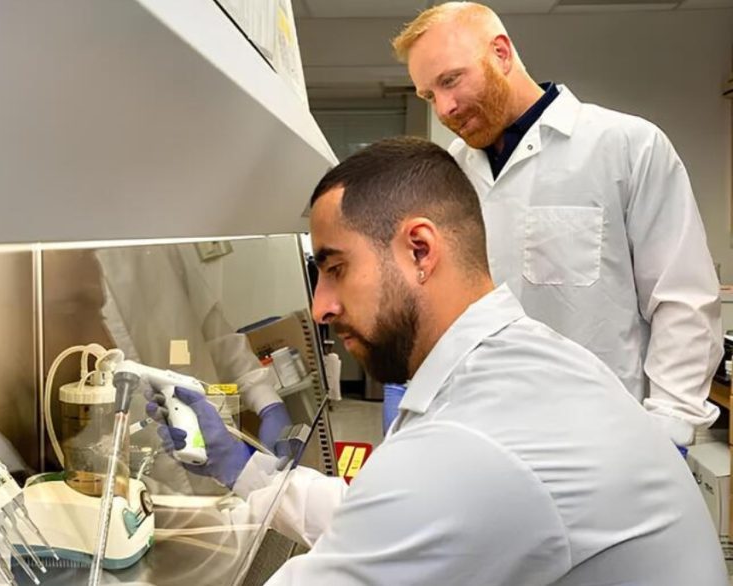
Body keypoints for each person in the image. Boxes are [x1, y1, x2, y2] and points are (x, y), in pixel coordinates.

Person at [147, 137, 726, 584]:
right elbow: (384, 518)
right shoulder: (518, 363)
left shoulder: (478, 436)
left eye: (335, 267)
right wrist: (238, 466)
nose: (320, 306)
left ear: (419, 250)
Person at [392, 2, 721, 448]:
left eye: (451, 80)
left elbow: (682, 297)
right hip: (480, 436)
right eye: (429, 96)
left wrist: (670, 430)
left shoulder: (625, 146)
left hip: (602, 438)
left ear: (501, 54)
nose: (445, 107)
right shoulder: (449, 171)